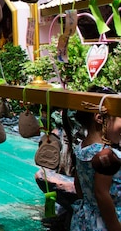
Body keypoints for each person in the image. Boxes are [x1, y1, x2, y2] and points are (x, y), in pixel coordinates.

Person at [71, 90, 121, 231]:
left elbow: (78, 184)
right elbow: (102, 193)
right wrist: (115, 227)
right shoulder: (104, 155)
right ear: (99, 118)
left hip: (86, 217)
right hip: (107, 221)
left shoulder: (81, 147)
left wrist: (89, 204)